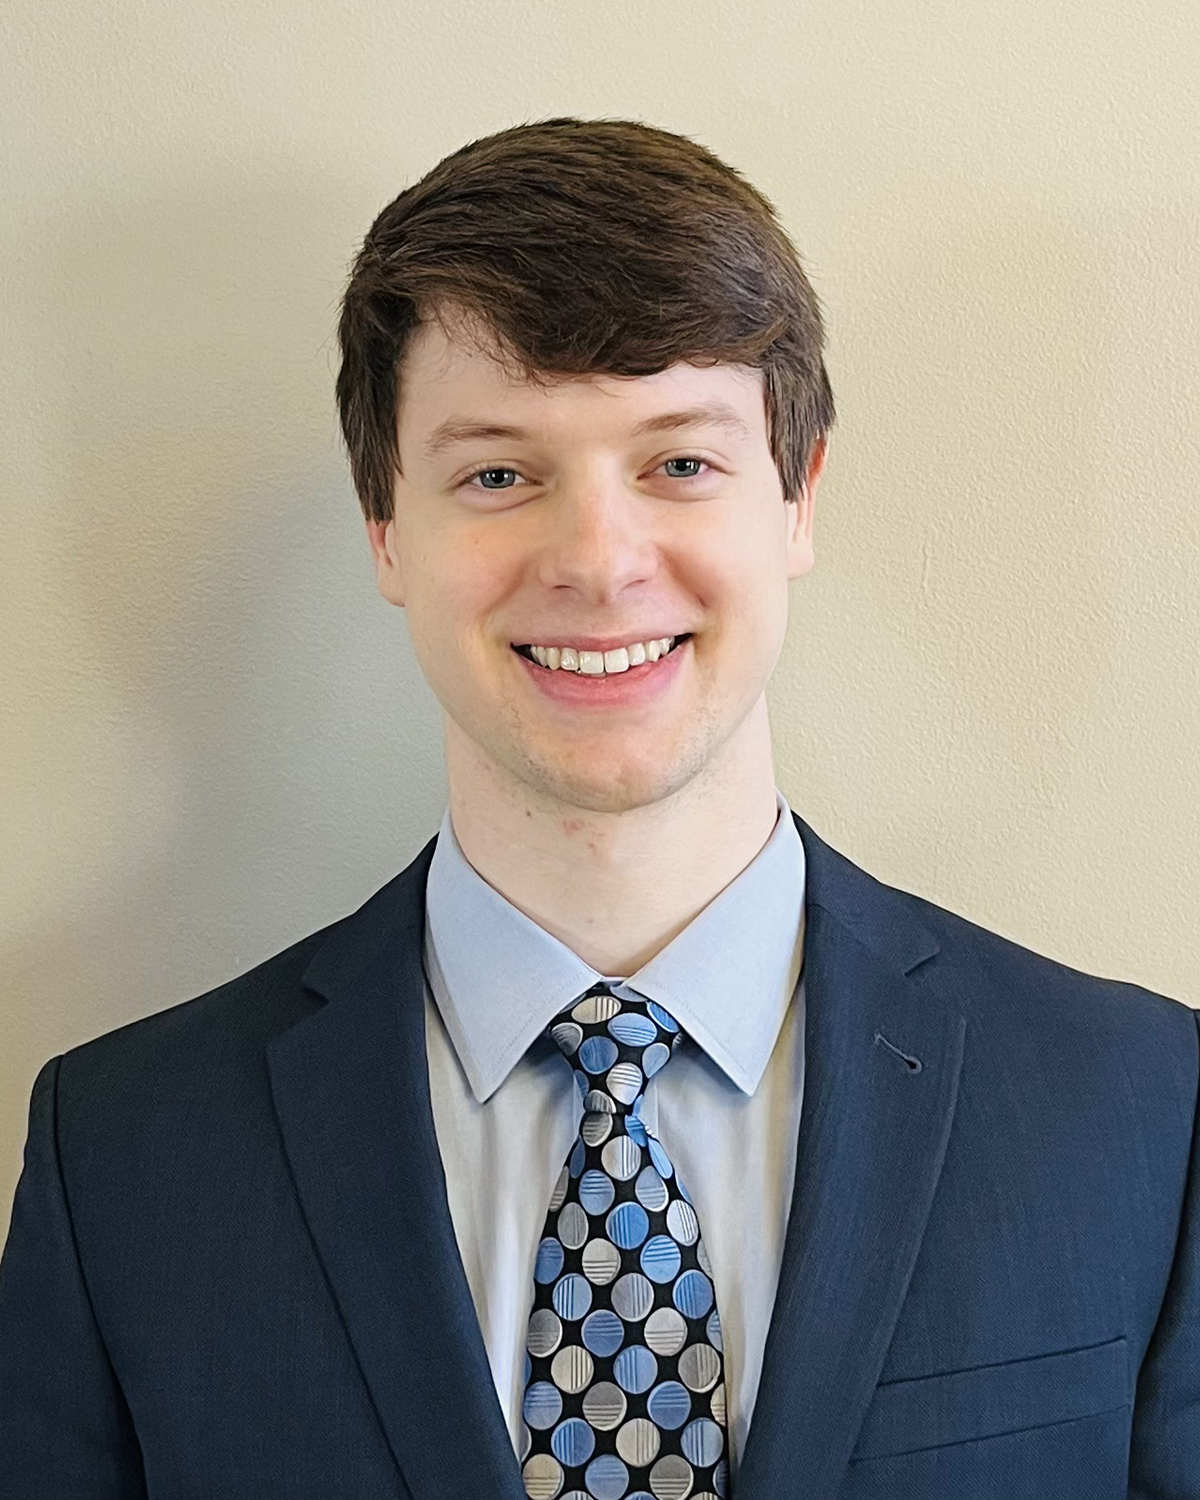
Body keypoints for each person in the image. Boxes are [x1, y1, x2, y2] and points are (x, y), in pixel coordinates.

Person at [0, 115, 1195, 1500]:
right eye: (499, 474)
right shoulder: (123, 1153)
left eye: (678, 463)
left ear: (797, 499)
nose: (597, 560)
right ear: (387, 529)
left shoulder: (1142, 1107)